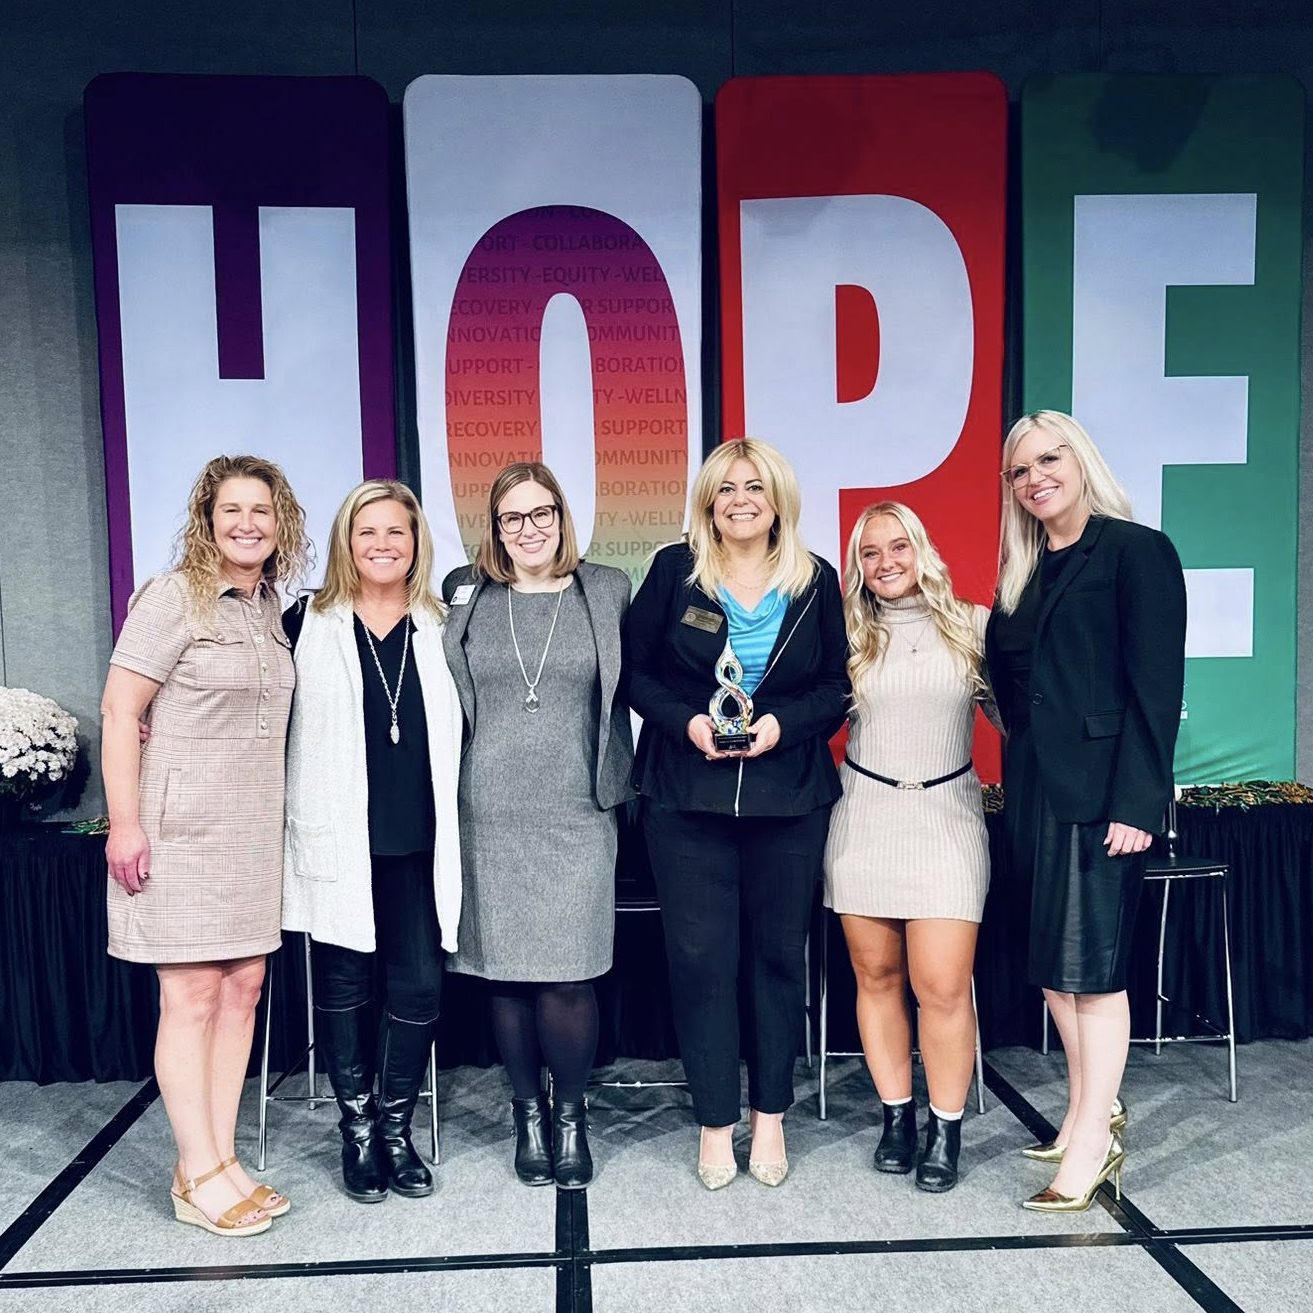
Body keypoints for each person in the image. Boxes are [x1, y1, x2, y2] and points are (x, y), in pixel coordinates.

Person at [625, 437, 849, 1190]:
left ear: (777, 498)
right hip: (686, 797)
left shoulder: (816, 580)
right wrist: (689, 721)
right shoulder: (674, 570)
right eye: (725, 488)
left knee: (779, 961)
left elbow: (834, 685)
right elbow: (635, 675)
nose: (740, 500)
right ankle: (716, 1123)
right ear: (707, 501)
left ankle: (771, 1116)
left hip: (788, 799)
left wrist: (781, 725)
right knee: (700, 963)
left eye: (754, 486)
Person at [101, 454, 309, 1237]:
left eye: (261, 510)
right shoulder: (173, 596)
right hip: (179, 832)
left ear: (280, 523)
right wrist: (125, 821)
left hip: (249, 834)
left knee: (243, 987)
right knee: (189, 996)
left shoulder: (267, 607)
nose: (247, 524)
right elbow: (120, 711)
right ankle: (194, 1170)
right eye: (232, 510)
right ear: (207, 520)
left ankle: (221, 1160)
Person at [985, 410, 1186, 1212]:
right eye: (1019, 470)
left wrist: (1139, 800)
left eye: (1048, 459)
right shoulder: (1023, 569)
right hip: (1034, 791)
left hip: (1105, 796)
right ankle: (1083, 1111)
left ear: (1080, 461)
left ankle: (1095, 1143)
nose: (1034, 478)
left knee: (1091, 975)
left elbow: (1155, 688)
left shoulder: (1136, 551)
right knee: (1052, 971)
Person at [441, 461, 634, 1190]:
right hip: (487, 812)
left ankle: (571, 1115)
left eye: (541, 513)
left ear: (562, 516)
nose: (528, 529)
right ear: (494, 528)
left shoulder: (606, 589)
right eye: (512, 517)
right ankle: (527, 1113)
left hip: (578, 812)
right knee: (505, 975)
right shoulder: (465, 593)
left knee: (569, 975)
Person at [281, 480, 462, 1204]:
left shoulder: (444, 625)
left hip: (420, 839)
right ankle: (356, 1130)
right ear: (345, 543)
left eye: (396, 531)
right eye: (367, 532)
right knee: (345, 987)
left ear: (416, 542)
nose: (383, 544)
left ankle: (395, 1129)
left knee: (418, 985)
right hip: (339, 838)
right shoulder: (306, 622)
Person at [824, 501, 997, 1193]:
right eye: (870, 552)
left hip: (947, 818)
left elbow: (1024, 717)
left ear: (921, 549)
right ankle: (896, 1117)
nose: (886, 561)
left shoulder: (974, 626)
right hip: (863, 816)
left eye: (898, 546)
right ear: (857, 566)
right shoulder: (841, 631)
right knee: (876, 978)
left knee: (943, 986)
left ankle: (945, 1128)